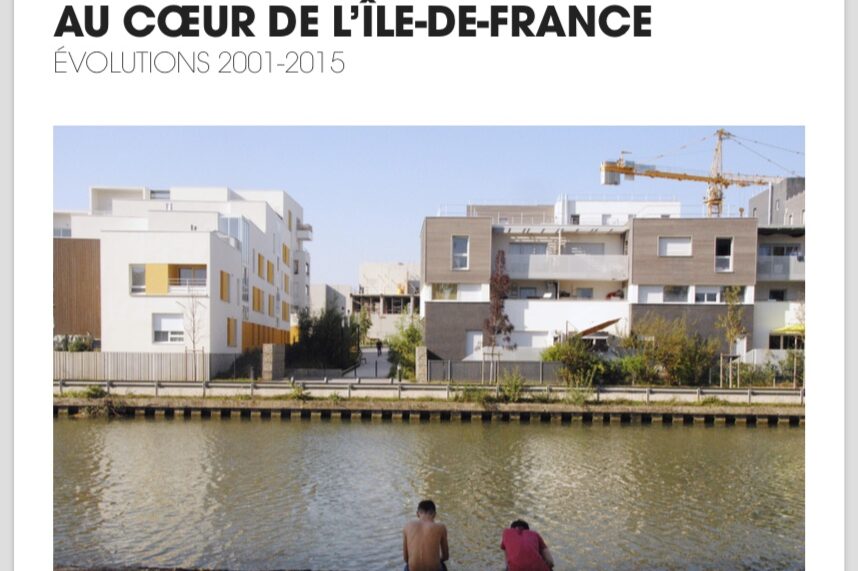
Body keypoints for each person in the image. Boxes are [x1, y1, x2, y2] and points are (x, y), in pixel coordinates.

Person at [403, 499, 449, 571]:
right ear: (434, 514)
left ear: (417, 514)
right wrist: (437, 560)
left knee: (407, 565)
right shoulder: (441, 527)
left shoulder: (407, 526)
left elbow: (406, 559)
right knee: (442, 565)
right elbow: (446, 556)